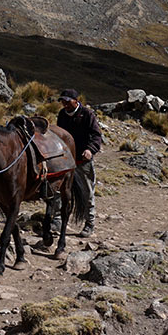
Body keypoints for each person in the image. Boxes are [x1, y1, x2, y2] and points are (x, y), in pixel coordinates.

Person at [55, 88, 102, 237]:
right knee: (58, 190)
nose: (65, 104)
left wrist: (90, 150)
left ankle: (89, 223)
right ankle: (57, 220)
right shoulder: (62, 114)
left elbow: (96, 135)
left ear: (76, 101)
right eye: (63, 101)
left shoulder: (87, 114)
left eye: (67, 101)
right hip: (65, 160)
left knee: (87, 191)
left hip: (82, 160)